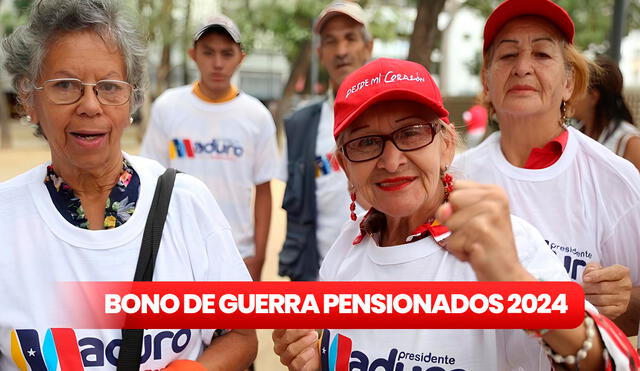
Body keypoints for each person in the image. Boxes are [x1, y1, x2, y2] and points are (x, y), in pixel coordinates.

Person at [272, 57, 639, 371]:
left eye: (411, 132)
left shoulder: (502, 246)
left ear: (446, 145)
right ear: (345, 167)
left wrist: (513, 281)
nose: (391, 159)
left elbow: (610, 362)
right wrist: (316, 358)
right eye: (365, 142)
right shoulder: (346, 251)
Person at [0, 0, 256, 369]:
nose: (90, 105)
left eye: (108, 86)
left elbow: (242, 335)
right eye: (65, 85)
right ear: (29, 97)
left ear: (131, 97)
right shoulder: (6, 219)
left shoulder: (186, 203)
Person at [452, 0, 640, 336]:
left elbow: (630, 316)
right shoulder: (455, 179)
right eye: (508, 55)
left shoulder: (616, 179)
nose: (523, 67)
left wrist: (623, 300)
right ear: (486, 80)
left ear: (569, 82)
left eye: (542, 54)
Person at [140, 14, 278, 281]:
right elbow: (151, 180)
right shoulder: (168, 107)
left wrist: (259, 257)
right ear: (193, 54)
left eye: (227, 54)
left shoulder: (257, 116)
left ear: (241, 57)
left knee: (238, 325)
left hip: (237, 253)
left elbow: (263, 189)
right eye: (208, 52)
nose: (217, 63)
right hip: (177, 249)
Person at [279, 0, 373, 281]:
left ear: (368, 46)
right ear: (320, 53)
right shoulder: (301, 126)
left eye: (350, 38)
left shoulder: (394, 119)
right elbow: (295, 215)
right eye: (331, 41)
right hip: (318, 282)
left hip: (383, 280)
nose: (342, 51)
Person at [572, 55, 640, 170]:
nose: (569, 96)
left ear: (593, 97)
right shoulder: (575, 133)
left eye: (576, 90)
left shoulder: (629, 142)